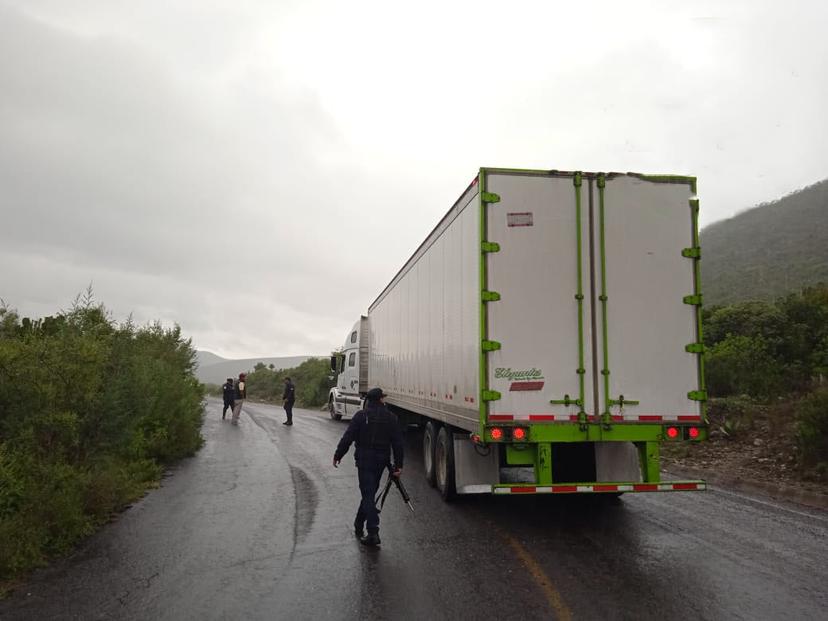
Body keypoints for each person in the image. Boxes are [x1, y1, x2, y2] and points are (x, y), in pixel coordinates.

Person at [333, 388, 404, 547]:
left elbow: (348, 437)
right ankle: (359, 524)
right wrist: (398, 465)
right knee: (369, 493)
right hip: (381, 462)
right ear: (379, 400)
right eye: (383, 398)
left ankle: (373, 532)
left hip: (364, 461)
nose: (384, 400)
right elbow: (398, 443)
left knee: (368, 493)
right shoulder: (391, 417)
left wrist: (338, 454)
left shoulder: (360, 416)